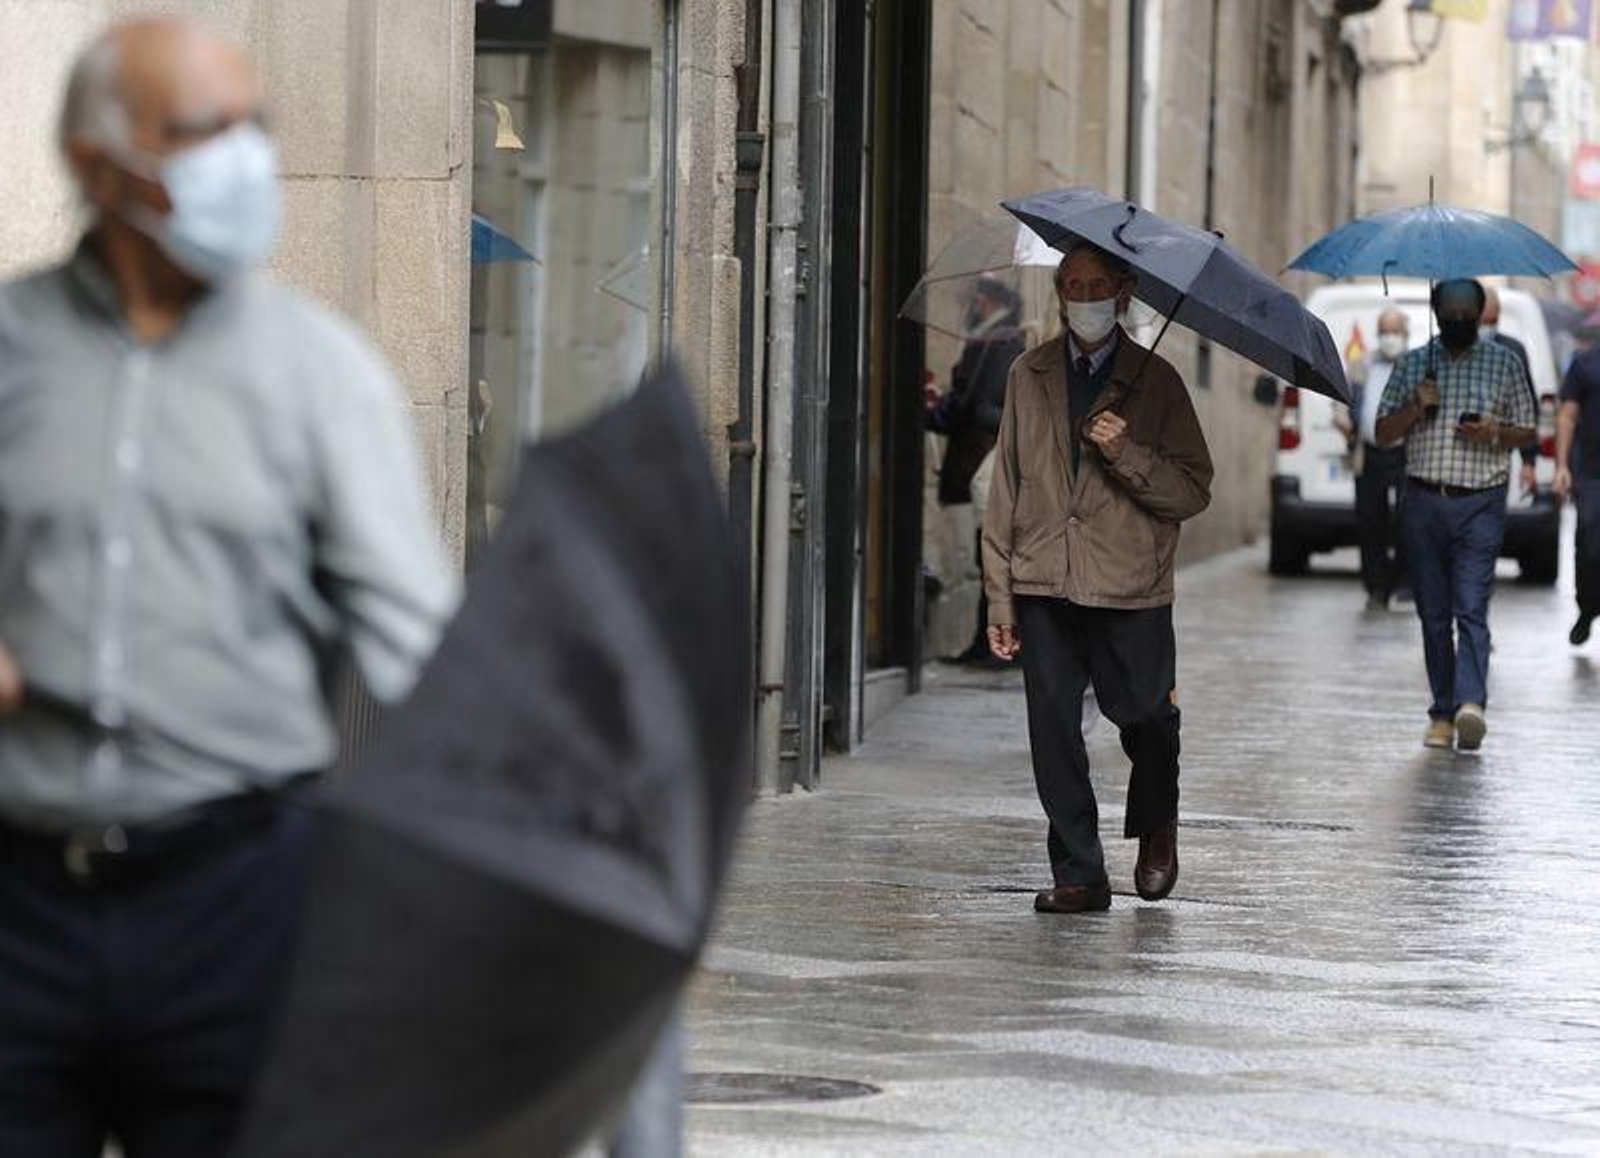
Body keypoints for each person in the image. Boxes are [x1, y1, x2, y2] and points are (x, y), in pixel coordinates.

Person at [0, 18, 455, 1156]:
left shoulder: (323, 374)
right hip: (17, 898)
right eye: (206, 131)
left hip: (242, 897)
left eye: (257, 127)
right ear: (96, 162)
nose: (244, 159)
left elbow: (421, 648)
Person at [982, 242, 1212, 914]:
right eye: (1071, 285)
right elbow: (1006, 489)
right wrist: (1000, 595)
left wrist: (1124, 453)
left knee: (1146, 717)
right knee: (1052, 728)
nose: (1082, 298)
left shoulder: (1158, 382)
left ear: (1122, 293)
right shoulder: (1029, 374)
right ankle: (1080, 872)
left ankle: (1156, 822)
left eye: (1096, 286)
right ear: (1059, 294)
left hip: (1129, 582)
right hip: (1044, 579)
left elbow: (1192, 490)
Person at [1375, 279, 1537, 752]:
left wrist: (1494, 431)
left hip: (1480, 502)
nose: (1460, 319)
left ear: (1480, 313)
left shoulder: (1504, 363)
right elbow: (1382, 433)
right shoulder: (1412, 365)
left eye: (1469, 311)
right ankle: (1441, 712)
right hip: (1423, 501)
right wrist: (1415, 407)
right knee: (1432, 613)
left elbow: (1528, 433)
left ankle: (1471, 704)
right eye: (1452, 311)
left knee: (1471, 604)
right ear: (1437, 312)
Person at [925, 276, 1026, 665]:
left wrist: (942, 411)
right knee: (976, 559)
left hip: (979, 466)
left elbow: (979, 406)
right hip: (970, 465)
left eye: (972, 301)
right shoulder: (989, 342)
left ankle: (990, 645)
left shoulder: (1000, 343)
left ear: (984, 302)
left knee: (980, 560)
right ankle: (980, 643)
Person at [1340, 308, 1412, 610]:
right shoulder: (1362, 365)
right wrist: (1344, 423)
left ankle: (1402, 585)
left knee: (1407, 521)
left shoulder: (1415, 366)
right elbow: (1343, 401)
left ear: (1405, 335)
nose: (1390, 338)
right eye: (1385, 331)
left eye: (1395, 331)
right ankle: (1375, 588)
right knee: (1370, 521)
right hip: (1368, 454)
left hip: (1405, 455)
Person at [1553, 341, 1600, 646]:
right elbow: (1567, 415)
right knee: (1590, 548)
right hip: (1592, 474)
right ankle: (1588, 609)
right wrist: (1561, 465)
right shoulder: (1585, 362)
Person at [1480, 286, 1542, 497]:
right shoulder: (1451, 350)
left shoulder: (1512, 351)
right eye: (1482, 322)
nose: (1486, 329)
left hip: (1497, 455)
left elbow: (1526, 408)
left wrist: (1529, 461)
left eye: (1492, 322)